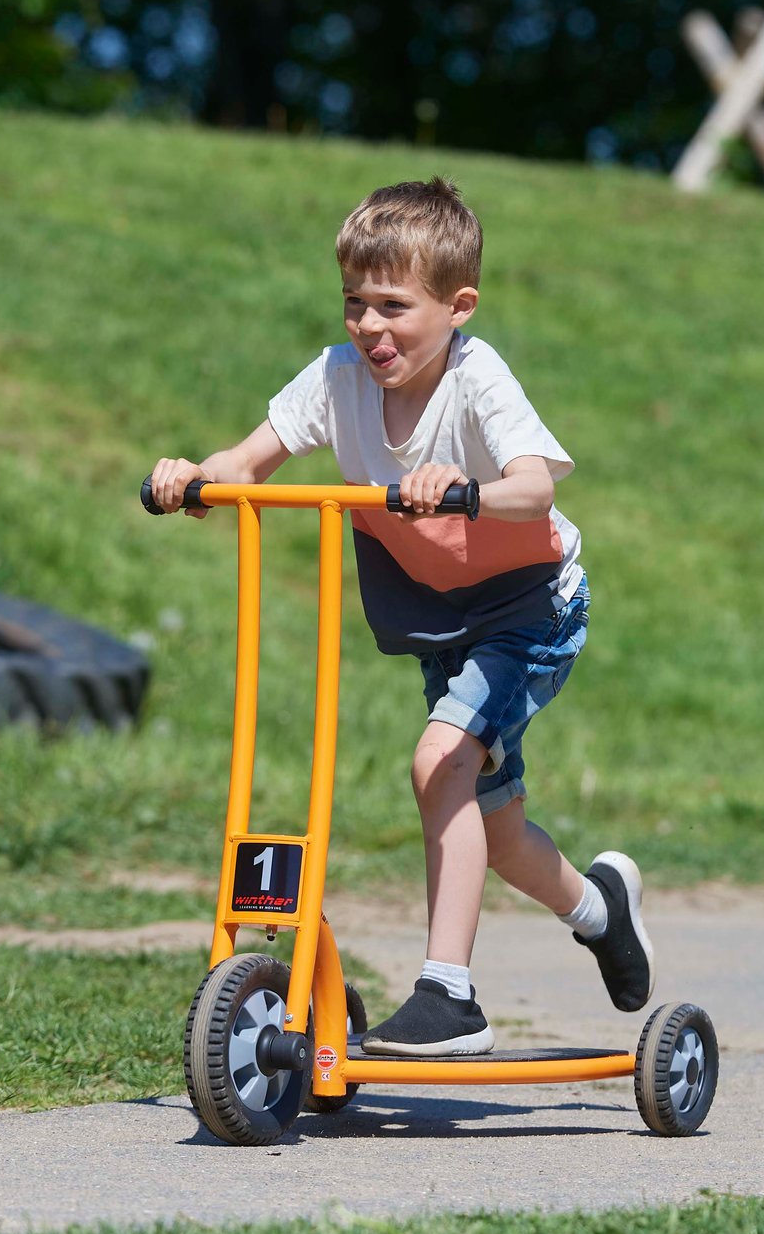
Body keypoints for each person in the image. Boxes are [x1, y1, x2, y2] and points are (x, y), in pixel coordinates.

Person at [145, 177, 652, 1056]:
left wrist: (463, 489)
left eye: (392, 306)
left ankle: (449, 996)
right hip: (441, 618)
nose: (369, 328)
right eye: (353, 304)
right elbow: (251, 456)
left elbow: (535, 483)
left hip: (529, 608)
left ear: (456, 307)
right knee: (490, 831)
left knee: (437, 766)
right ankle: (598, 908)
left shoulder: (475, 375)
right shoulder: (338, 377)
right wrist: (198, 475)